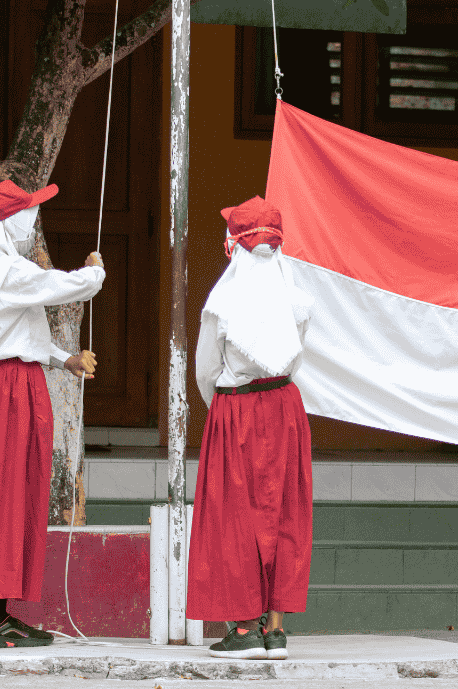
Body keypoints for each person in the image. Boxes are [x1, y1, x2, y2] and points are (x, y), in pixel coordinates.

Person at [0, 179, 107, 649]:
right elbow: (54, 286)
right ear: (7, 222)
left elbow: (22, 333)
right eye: (27, 213)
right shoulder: (1, 268)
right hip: (9, 392)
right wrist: (93, 275)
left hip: (10, 385)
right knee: (1, 500)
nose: (32, 221)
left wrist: (66, 359)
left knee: (9, 499)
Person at [187, 195, 316, 660]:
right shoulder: (297, 299)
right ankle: (276, 629)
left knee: (235, 514)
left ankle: (244, 629)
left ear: (235, 246)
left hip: (237, 408)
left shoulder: (222, 301)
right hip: (285, 406)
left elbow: (206, 370)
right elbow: (296, 350)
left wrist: (222, 409)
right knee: (284, 510)